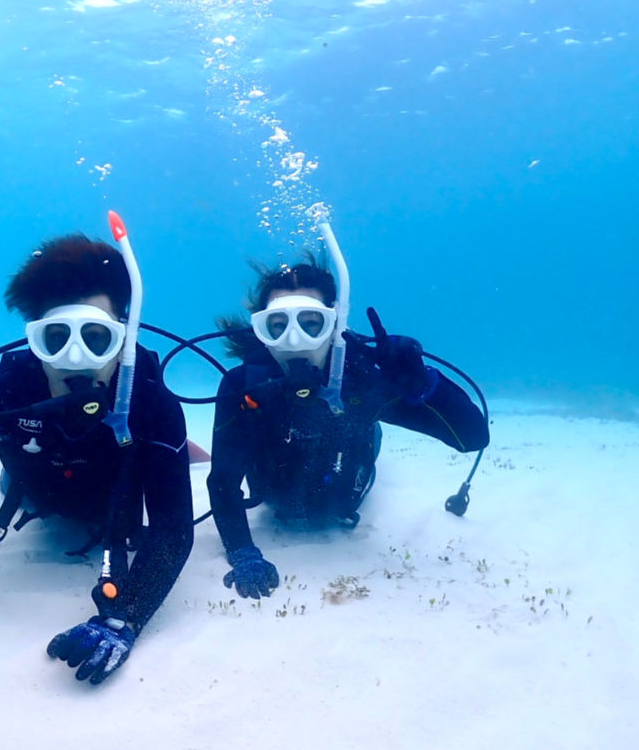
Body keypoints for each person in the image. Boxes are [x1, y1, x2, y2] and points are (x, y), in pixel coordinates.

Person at [0, 233, 193, 685]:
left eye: (97, 338)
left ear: (125, 338)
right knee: (7, 487)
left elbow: (174, 532)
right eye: (55, 339)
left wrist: (124, 619)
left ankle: (181, 455)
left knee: (167, 460)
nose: (74, 359)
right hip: (34, 495)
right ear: (34, 340)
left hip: (116, 513)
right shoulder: (11, 390)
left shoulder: (151, 403)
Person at [206, 252, 489, 601]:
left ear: (335, 324)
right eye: (278, 326)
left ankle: (371, 431)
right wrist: (242, 552)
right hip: (277, 497)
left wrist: (424, 386)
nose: (295, 341)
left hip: (347, 491)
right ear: (261, 330)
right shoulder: (244, 386)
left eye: (312, 323)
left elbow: (473, 437)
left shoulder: (363, 381)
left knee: (366, 426)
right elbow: (222, 482)